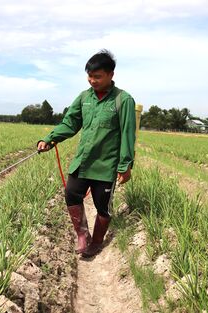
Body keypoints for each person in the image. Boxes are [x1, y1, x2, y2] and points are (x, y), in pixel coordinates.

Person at [37, 49, 136, 257]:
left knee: (103, 208)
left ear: (111, 75)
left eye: (97, 76)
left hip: (105, 166)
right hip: (83, 161)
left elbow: (128, 134)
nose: (92, 80)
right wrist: (50, 140)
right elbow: (70, 123)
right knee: (71, 194)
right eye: (90, 76)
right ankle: (83, 235)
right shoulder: (84, 98)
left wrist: (125, 165)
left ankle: (97, 241)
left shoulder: (123, 100)